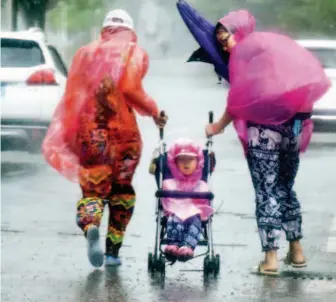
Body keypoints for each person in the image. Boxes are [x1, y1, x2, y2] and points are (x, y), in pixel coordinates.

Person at [204, 11, 330, 275]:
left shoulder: (245, 56)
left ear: (237, 32)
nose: (223, 45)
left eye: (224, 38)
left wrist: (217, 127)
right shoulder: (271, 47)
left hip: (263, 134)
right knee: (285, 188)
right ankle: (296, 252)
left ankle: (270, 258)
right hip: (292, 129)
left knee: (267, 191)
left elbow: (237, 102)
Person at [42, 9, 167, 268]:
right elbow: (131, 88)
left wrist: (70, 133)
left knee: (93, 188)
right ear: (130, 30)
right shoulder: (134, 52)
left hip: (91, 133)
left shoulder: (84, 54)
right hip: (125, 136)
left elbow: (73, 95)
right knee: (122, 189)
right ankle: (112, 252)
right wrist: (154, 111)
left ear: (105, 29)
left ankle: (91, 226)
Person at [159, 138, 213, 261]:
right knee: (174, 219)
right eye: (182, 160)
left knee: (195, 222)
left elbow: (204, 204)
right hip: (175, 212)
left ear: (198, 162)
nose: (186, 163)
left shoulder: (201, 185)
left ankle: (188, 246)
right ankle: (174, 243)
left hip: (194, 214)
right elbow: (167, 202)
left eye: (190, 160)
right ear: (175, 163)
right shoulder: (169, 183)